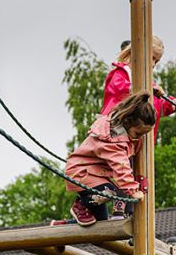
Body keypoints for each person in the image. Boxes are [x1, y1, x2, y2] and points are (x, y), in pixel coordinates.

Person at [64, 92, 158, 225]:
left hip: (95, 174)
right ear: (127, 122)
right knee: (111, 192)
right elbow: (121, 166)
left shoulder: (124, 131)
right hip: (81, 172)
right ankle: (81, 205)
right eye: (138, 133)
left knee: (101, 222)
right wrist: (133, 190)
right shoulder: (112, 140)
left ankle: (63, 224)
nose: (139, 137)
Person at [100, 35, 176, 145]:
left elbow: (155, 106)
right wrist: (149, 89)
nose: (154, 64)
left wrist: (172, 104)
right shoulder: (121, 73)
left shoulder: (149, 82)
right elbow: (120, 89)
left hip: (138, 143)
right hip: (116, 137)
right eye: (152, 58)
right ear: (139, 53)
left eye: (157, 61)